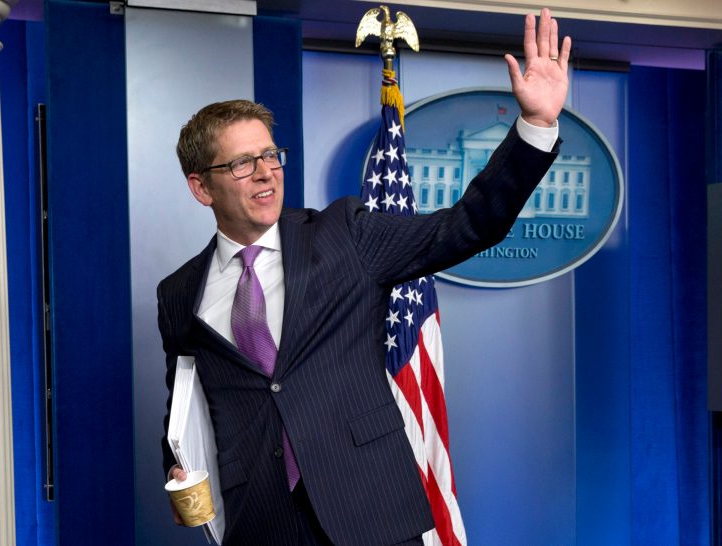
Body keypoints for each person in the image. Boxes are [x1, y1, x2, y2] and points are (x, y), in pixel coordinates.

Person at [158, 8, 571, 546]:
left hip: (371, 510)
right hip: (260, 522)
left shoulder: (343, 233)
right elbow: (183, 402)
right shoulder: (178, 292)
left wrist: (535, 128)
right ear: (200, 187)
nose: (265, 172)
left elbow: (465, 227)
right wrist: (177, 468)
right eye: (241, 163)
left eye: (270, 155)